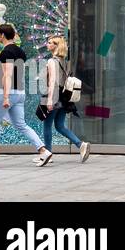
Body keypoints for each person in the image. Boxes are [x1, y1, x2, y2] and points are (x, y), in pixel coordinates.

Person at [0, 24, 52, 168]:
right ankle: (43, 151)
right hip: (20, 92)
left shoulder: (5, 53)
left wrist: (5, 97)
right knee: (21, 125)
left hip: (7, 92)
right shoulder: (21, 52)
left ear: (2, 35)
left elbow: (7, 75)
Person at [41, 35, 90, 163]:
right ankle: (80, 144)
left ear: (56, 46)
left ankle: (47, 153)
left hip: (55, 95)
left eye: (51, 43)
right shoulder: (64, 61)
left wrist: (50, 100)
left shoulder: (52, 61)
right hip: (64, 97)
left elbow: (52, 82)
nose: (48, 44)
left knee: (47, 125)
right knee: (60, 125)